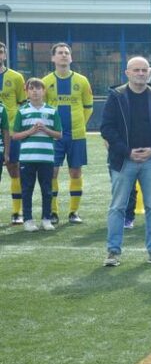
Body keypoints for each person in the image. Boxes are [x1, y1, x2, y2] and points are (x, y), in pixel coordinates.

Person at [100, 57, 151, 267]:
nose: (141, 73)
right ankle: (113, 252)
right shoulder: (116, 96)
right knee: (117, 207)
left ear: (149, 73)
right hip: (124, 161)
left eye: (144, 70)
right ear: (127, 73)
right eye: (137, 70)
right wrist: (127, 152)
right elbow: (106, 128)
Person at [43, 42, 93, 226]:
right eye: (60, 53)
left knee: (75, 172)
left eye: (66, 53)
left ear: (71, 57)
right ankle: (53, 212)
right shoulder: (46, 82)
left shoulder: (82, 81)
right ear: (53, 58)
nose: (64, 55)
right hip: (54, 136)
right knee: (52, 173)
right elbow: (44, 108)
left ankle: (73, 212)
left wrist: (80, 125)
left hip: (76, 136)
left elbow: (88, 108)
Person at [12, 79, 62, 231]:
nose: (35, 91)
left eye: (38, 88)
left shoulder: (52, 111)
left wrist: (46, 130)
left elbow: (59, 134)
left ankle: (46, 219)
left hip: (46, 158)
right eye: (31, 88)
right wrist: (31, 131)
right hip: (27, 158)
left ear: (44, 91)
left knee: (47, 189)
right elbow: (15, 135)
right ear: (26, 92)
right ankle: (28, 220)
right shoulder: (22, 111)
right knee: (27, 189)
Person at [0, 42, 27, 224]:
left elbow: (22, 103)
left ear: (5, 54)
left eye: (0, 51)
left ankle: (17, 212)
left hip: (10, 130)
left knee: (14, 168)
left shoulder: (16, 77)